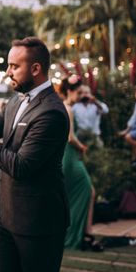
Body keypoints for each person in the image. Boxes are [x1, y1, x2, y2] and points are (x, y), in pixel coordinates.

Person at [0, 37, 69, 272]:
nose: (7, 72)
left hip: (39, 221)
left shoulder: (52, 112)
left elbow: (21, 166)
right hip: (8, 218)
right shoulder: (15, 101)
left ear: (35, 69)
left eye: (14, 66)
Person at [58, 76, 102, 252]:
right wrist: (82, 147)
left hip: (66, 156)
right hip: (70, 156)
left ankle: (84, 233)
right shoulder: (68, 108)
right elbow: (70, 137)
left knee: (79, 193)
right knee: (88, 190)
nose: (81, 95)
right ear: (69, 91)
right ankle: (83, 234)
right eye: (79, 92)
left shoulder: (61, 106)